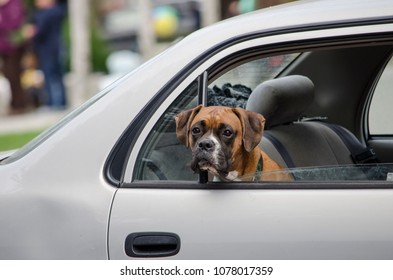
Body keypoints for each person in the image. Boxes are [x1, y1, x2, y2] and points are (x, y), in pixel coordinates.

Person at [27, 0, 67, 109]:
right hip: (53, 49)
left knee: (51, 78)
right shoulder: (56, 12)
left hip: (49, 50)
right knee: (56, 77)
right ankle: (60, 102)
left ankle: (55, 104)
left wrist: (32, 32)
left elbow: (39, 31)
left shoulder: (49, 13)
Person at [0, 0, 30, 114]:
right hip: (3, 47)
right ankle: (15, 103)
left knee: (14, 74)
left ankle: (19, 104)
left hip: (14, 46)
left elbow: (14, 23)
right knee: (8, 74)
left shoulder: (14, 5)